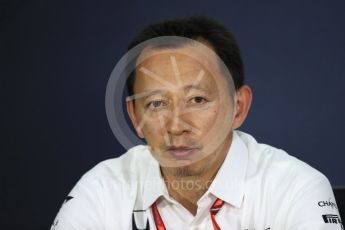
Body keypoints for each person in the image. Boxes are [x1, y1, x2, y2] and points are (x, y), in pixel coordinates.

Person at [51, 16, 343, 230]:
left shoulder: (297, 188)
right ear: (136, 118)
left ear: (238, 108)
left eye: (197, 100)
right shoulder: (101, 189)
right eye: (157, 103)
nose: (177, 126)